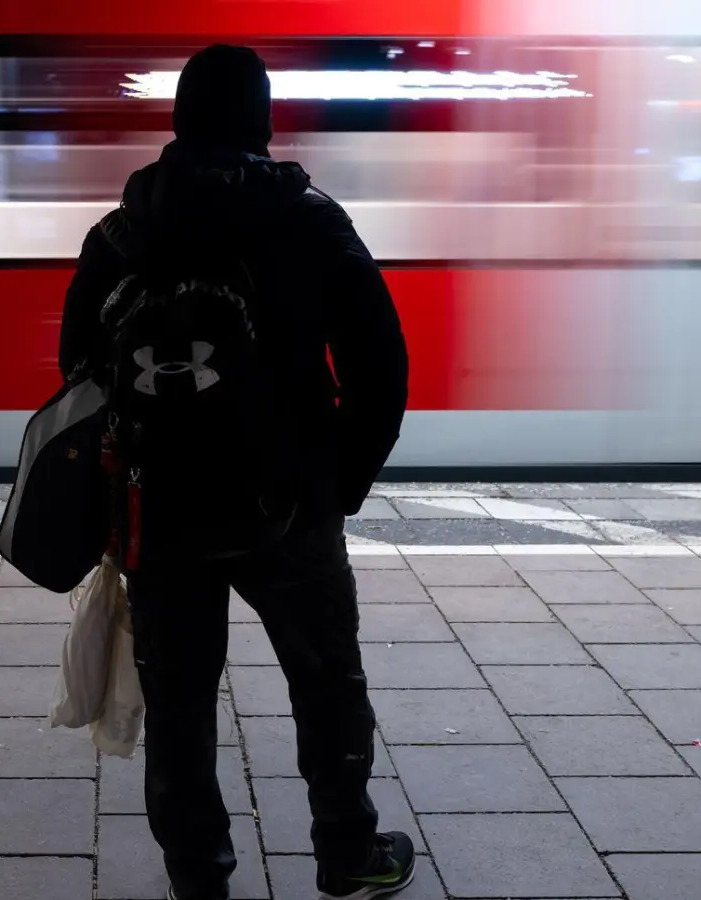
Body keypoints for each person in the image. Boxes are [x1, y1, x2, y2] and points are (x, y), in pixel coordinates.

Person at [57, 43, 413, 900]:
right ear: (262, 118)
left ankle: (200, 880)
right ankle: (346, 852)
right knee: (326, 679)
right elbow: (382, 367)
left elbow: (78, 372)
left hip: (162, 510)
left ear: (178, 119)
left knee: (178, 706)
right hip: (290, 504)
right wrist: (337, 485)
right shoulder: (312, 219)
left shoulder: (121, 232)